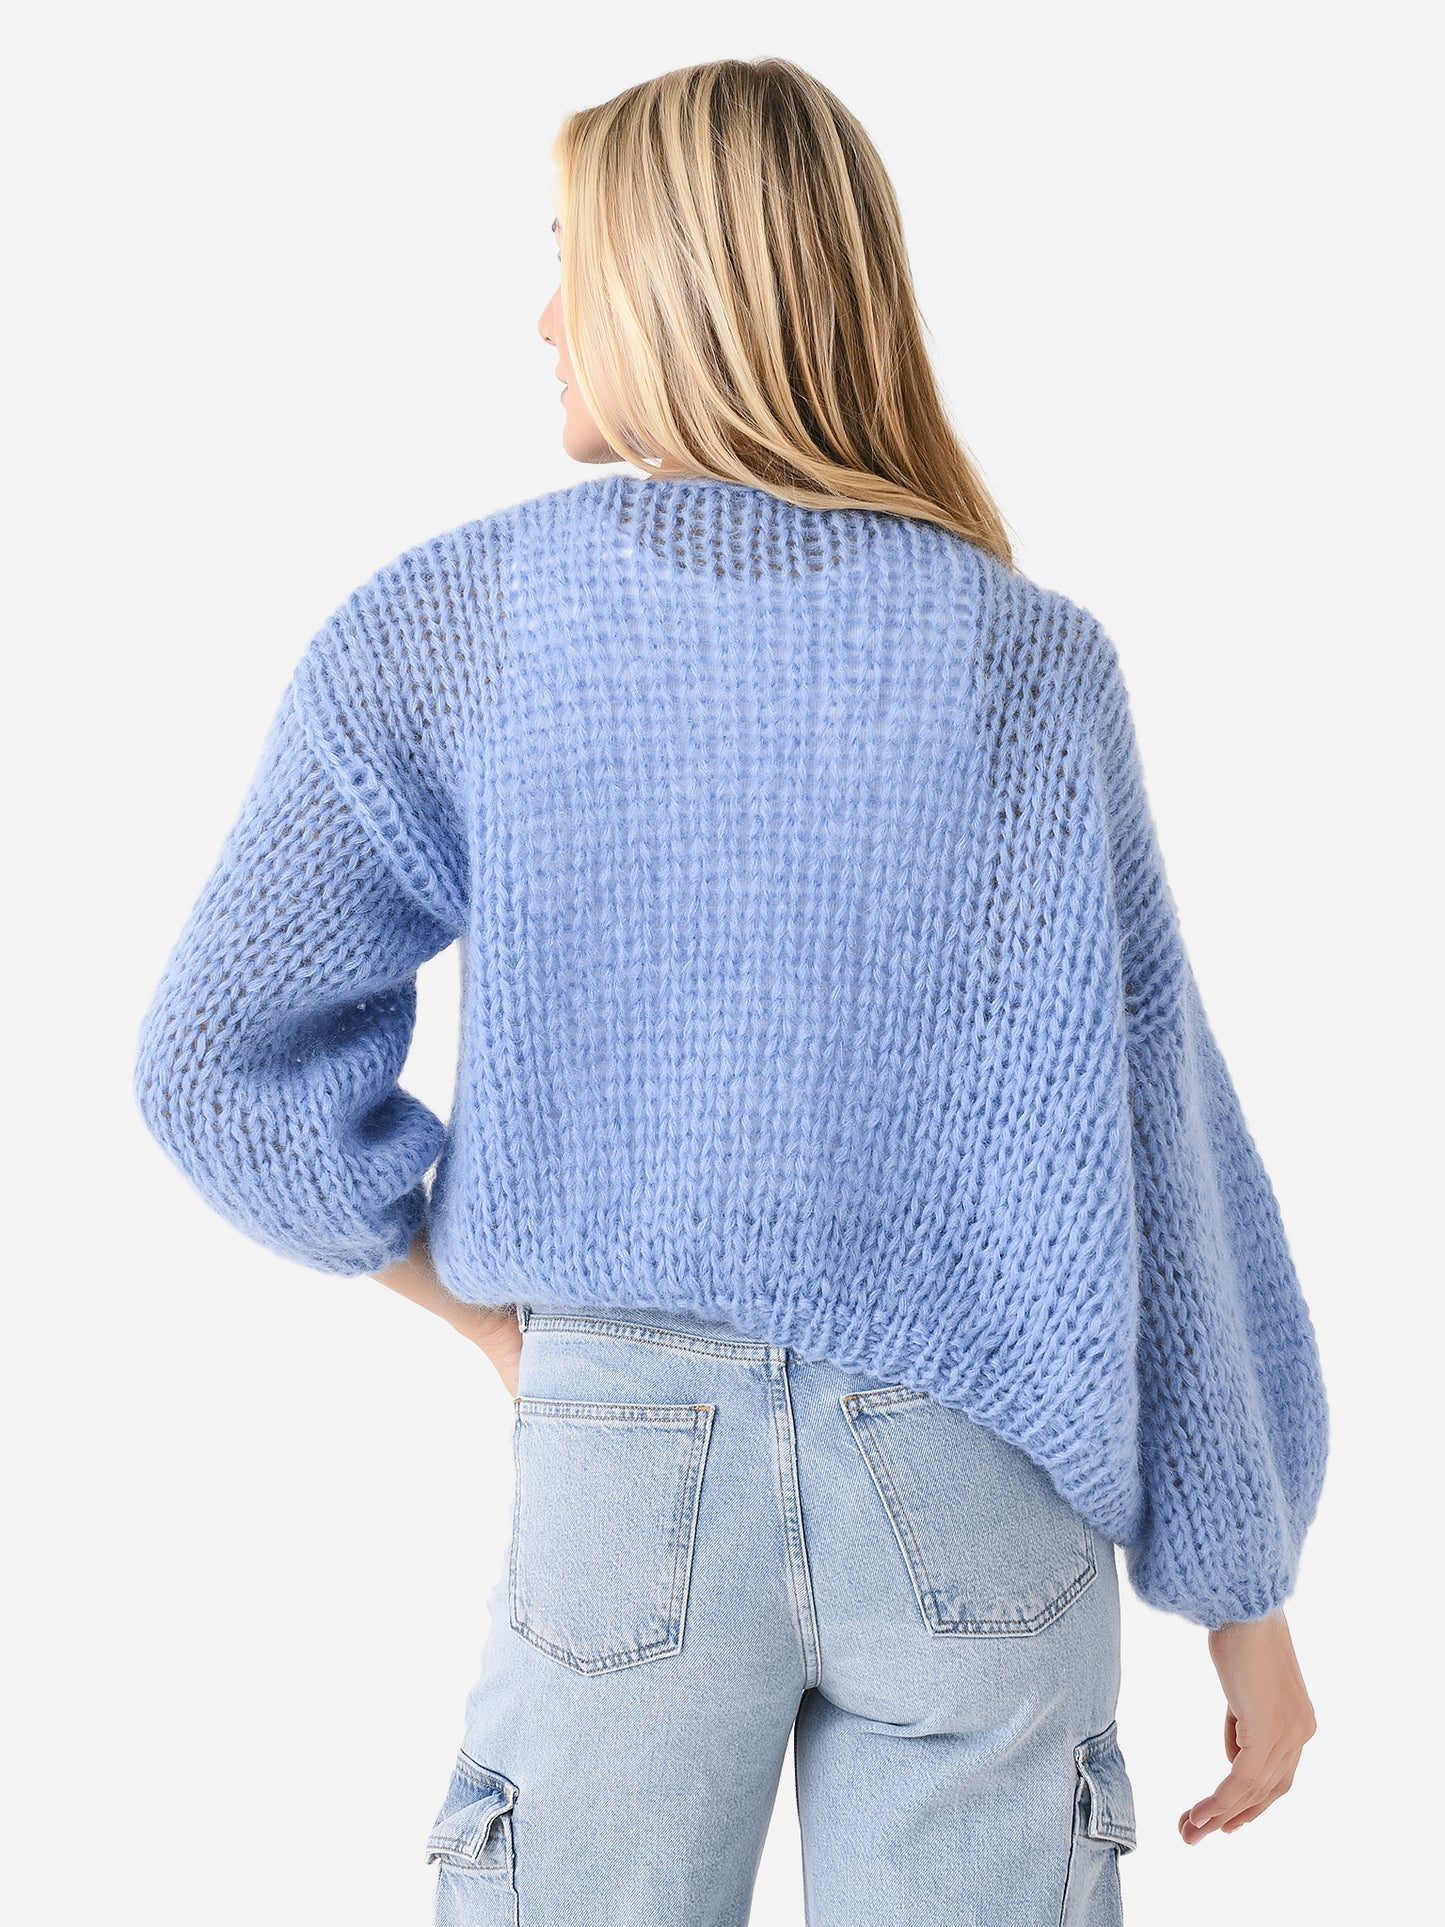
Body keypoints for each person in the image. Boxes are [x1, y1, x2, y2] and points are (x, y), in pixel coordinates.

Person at [132, 55, 1328, 1927]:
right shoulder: (1025, 658)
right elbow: (1152, 1156)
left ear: (683, 284)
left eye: (569, 259)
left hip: (623, 1461)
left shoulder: (460, 625)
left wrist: (494, 1324)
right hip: (982, 1472)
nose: (540, 314)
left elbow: (218, 1060)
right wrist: (1241, 1592)